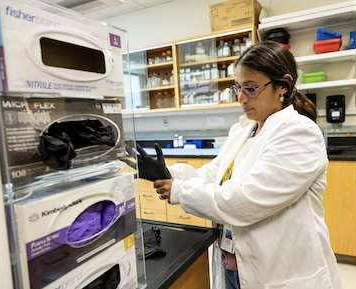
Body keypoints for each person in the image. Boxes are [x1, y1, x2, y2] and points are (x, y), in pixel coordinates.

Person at [134, 41, 343, 289]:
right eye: (238, 88)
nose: (241, 98)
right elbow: (214, 175)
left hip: (279, 271)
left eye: (251, 89)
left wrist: (179, 191)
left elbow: (247, 200)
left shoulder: (299, 133)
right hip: (234, 263)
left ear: (283, 86)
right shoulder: (245, 128)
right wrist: (169, 174)